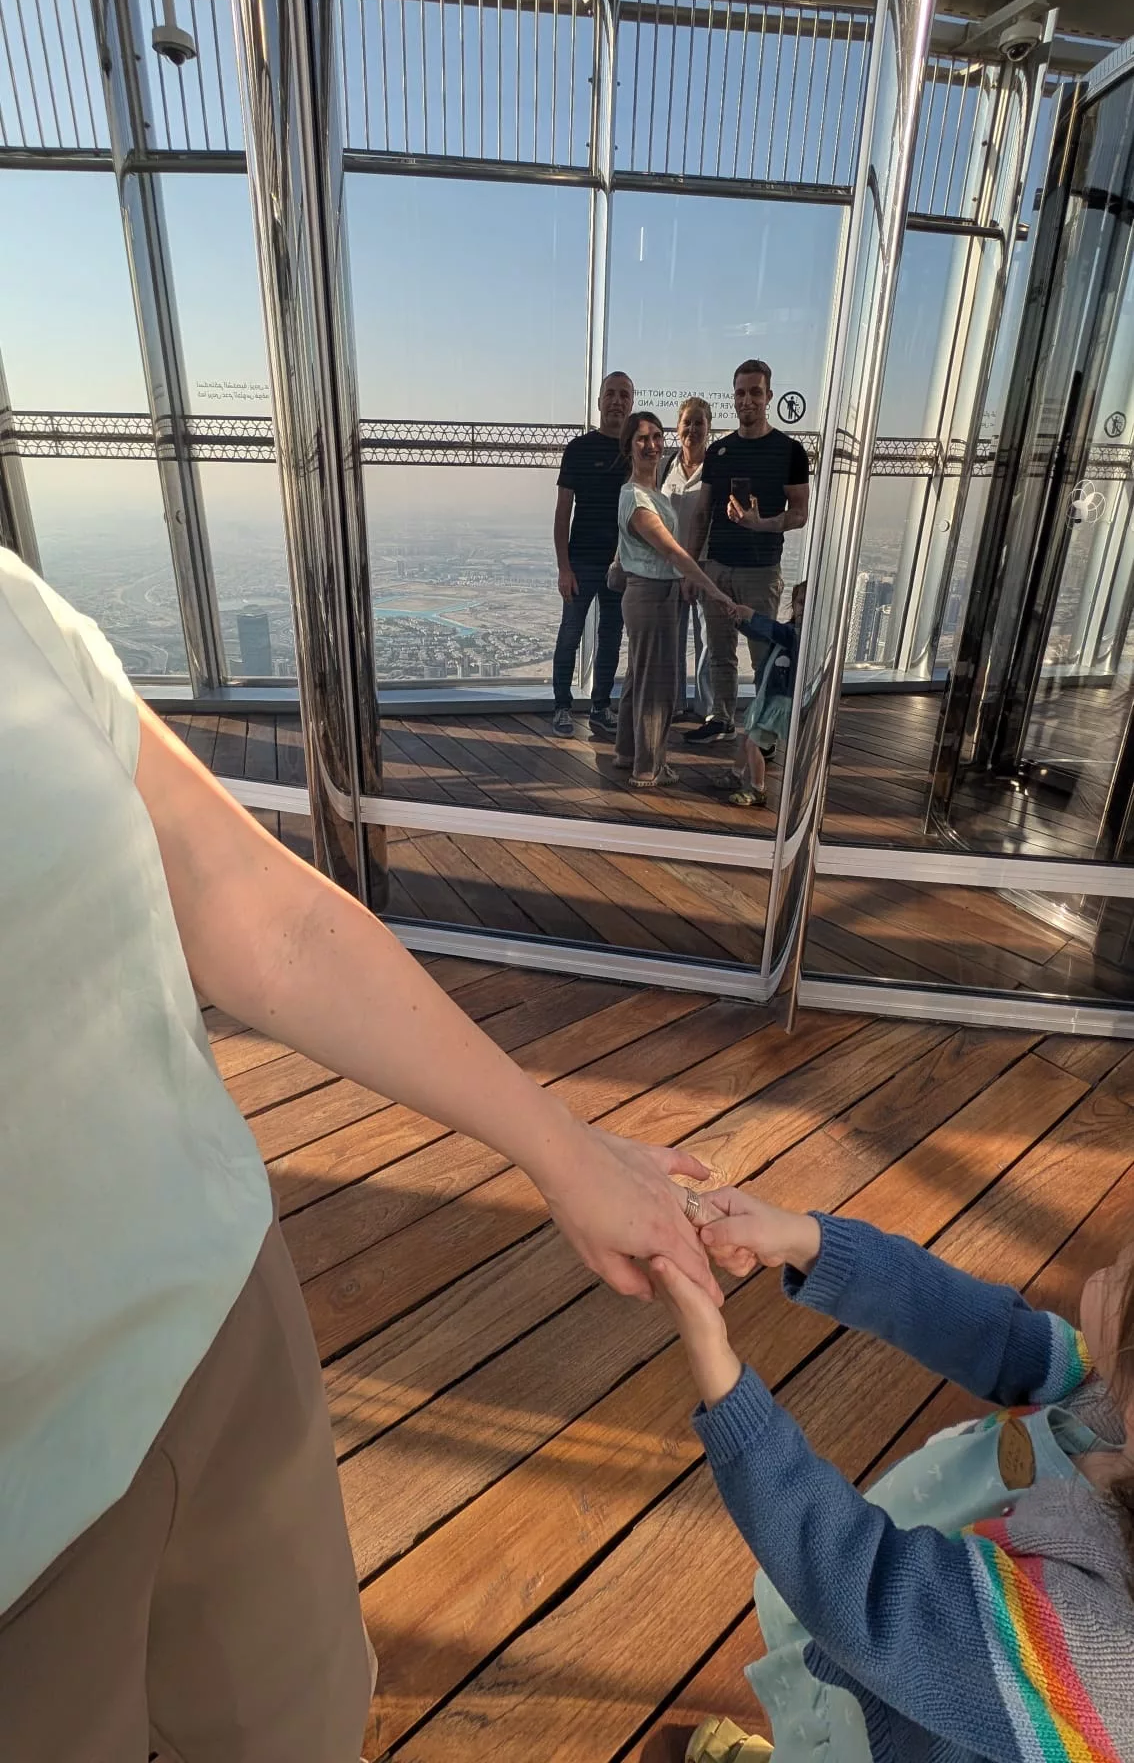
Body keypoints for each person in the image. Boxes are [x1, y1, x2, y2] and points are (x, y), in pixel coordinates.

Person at [0, 545, 722, 1763]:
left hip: (221, 1311)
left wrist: (564, 1150)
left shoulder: (15, 608)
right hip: (23, 1522)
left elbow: (255, 908)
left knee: (309, 1722)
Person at [649, 1189, 1134, 1763]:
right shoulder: (1108, 1387)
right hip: (910, 1636)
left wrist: (723, 1383)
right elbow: (984, 1332)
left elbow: (871, 1594)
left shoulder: (1099, 1650)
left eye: (1122, 1272)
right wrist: (809, 1241)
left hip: (908, 1729)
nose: (1107, 1266)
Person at [683, 360, 810, 747]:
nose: (747, 400)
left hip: (760, 571)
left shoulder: (790, 451)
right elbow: (703, 511)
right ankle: (720, 718)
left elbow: (800, 514)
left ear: (769, 396)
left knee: (763, 658)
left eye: (756, 391)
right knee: (719, 652)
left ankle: (763, 736)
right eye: (741, 392)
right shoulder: (719, 451)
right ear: (733, 396)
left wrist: (761, 523)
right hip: (718, 568)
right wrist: (692, 570)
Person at [614, 412, 742, 789]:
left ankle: (627, 753)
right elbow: (674, 553)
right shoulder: (637, 498)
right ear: (629, 446)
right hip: (651, 597)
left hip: (654, 596)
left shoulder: (649, 493)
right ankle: (649, 768)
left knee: (640, 678)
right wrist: (716, 592)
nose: (652, 444)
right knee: (657, 688)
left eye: (656, 436)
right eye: (642, 439)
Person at [551, 368, 635, 740]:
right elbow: (561, 512)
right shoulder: (579, 449)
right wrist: (563, 568)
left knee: (611, 635)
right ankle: (562, 707)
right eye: (611, 393)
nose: (617, 400)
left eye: (624, 395)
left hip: (621, 563)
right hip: (582, 561)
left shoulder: (636, 452)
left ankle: (601, 706)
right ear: (599, 401)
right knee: (570, 633)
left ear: (631, 404)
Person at [723, 580, 806, 810]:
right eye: (800, 602)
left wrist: (750, 615)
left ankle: (758, 789)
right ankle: (736, 773)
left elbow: (771, 630)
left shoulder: (799, 636)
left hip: (779, 703)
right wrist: (740, 622)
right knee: (749, 738)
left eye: (809, 604)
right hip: (768, 699)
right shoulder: (789, 631)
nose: (803, 608)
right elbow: (765, 634)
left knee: (753, 744)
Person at [661, 395, 714, 722]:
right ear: (677, 428)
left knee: (708, 639)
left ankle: (707, 709)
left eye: (699, 422)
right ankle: (676, 703)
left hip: (705, 565)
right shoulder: (667, 465)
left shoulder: (716, 468)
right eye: (687, 422)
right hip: (670, 566)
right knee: (673, 638)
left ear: (708, 428)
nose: (692, 429)